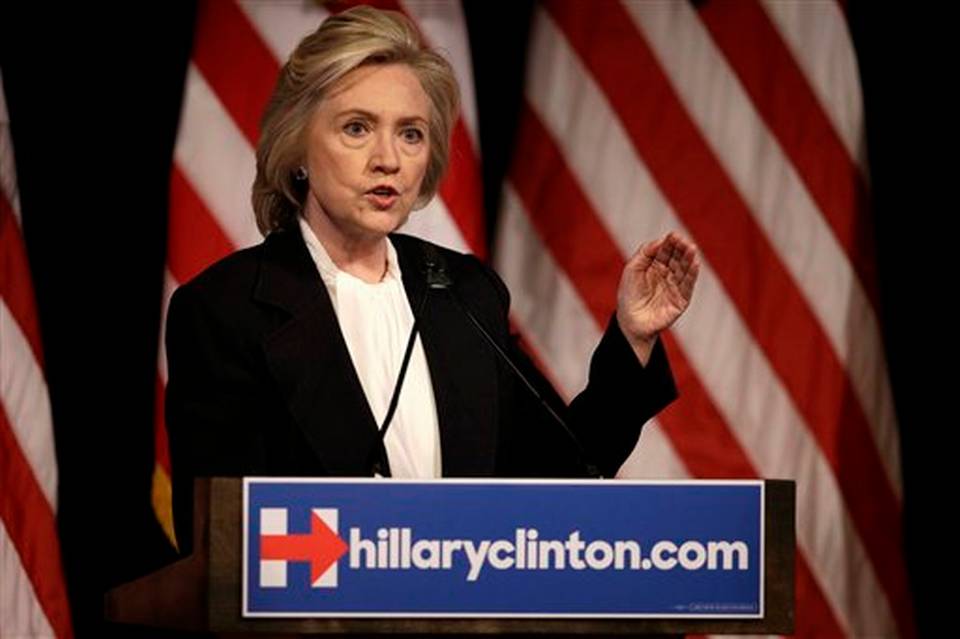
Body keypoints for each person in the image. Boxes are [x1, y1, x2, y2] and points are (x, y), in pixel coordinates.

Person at [164, 6, 700, 553]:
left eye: (411, 134)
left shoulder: (461, 292)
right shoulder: (224, 310)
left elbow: (562, 471)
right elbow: (222, 547)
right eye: (357, 128)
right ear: (299, 148)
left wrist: (632, 338)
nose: (388, 159)